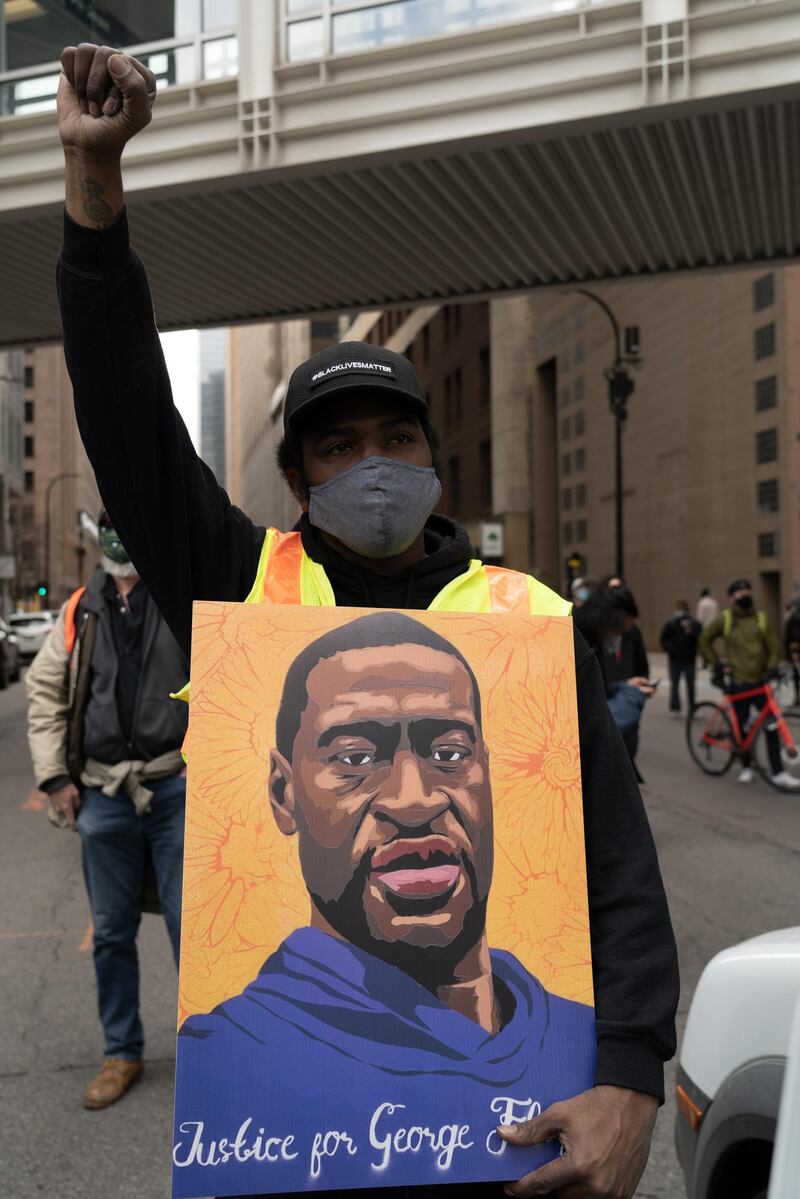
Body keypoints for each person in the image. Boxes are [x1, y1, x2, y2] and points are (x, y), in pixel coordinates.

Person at [55, 44, 679, 1199]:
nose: (372, 467)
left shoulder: (525, 615)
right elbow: (127, 415)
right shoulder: (244, 584)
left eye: (394, 442)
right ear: (300, 482)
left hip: (521, 1148)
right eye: (338, 448)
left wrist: (633, 1069)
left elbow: (616, 863)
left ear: (435, 463)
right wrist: (95, 194)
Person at [174, 612, 596, 1193]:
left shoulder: (580, 1038)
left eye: (449, 752)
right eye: (352, 758)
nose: (413, 799)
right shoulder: (227, 1059)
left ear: (488, 774)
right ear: (283, 792)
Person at [25, 509, 189, 1109]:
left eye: (130, 522)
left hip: (175, 785)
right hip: (102, 795)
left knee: (193, 929)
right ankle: (122, 1052)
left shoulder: (179, 594)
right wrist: (53, 779)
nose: (121, 536)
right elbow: (45, 693)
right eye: (111, 524)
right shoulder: (78, 608)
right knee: (112, 933)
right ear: (100, 535)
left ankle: (210, 1051)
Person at [699, 579, 798, 789]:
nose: (744, 595)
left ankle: (778, 771)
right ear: (731, 597)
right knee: (741, 727)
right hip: (738, 682)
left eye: (746, 590)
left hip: (759, 682)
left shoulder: (761, 619)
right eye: (738, 592)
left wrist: (771, 667)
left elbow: (773, 647)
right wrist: (715, 664)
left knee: (771, 725)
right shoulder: (725, 619)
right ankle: (746, 766)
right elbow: (704, 639)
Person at [574, 587, 654, 749]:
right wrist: (632, 695)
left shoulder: (588, 641)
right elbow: (597, 724)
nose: (618, 638)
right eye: (620, 631)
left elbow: (597, 693)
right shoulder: (580, 648)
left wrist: (623, 687)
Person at [659, 601, 701, 716]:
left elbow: (700, 638)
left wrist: (690, 632)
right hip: (675, 660)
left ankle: (692, 709)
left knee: (691, 686)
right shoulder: (671, 624)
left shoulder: (694, 624)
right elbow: (663, 639)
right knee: (675, 685)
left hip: (689, 660)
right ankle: (675, 708)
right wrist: (670, 649)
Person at [783, 595, 800, 707]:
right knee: (796, 675)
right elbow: (792, 635)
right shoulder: (794, 617)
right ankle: (797, 697)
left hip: (796, 651)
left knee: (796, 675)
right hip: (797, 651)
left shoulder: (793, 616)